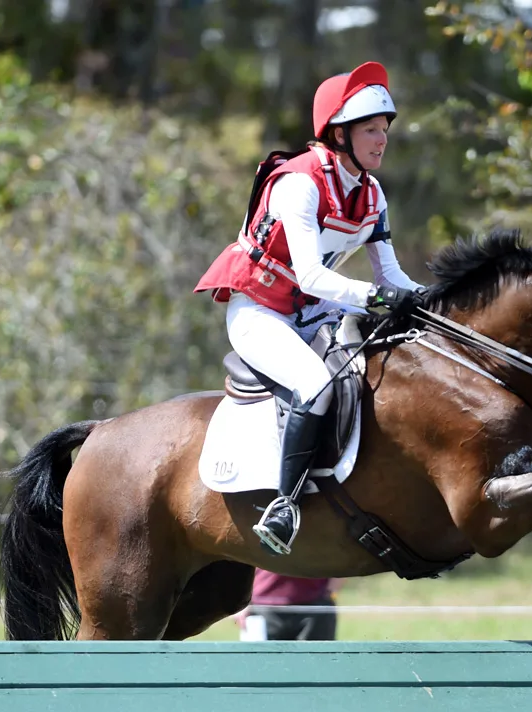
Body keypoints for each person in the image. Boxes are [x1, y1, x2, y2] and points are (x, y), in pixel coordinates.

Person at [194, 61, 425, 556]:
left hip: (317, 316)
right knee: (316, 383)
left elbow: (392, 277)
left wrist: (433, 301)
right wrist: (375, 298)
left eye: (384, 130)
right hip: (260, 313)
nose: (381, 141)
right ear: (339, 134)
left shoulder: (372, 193)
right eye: (370, 130)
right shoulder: (297, 184)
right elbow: (312, 277)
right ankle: (285, 505)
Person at [238, 570, 341, 642]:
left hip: (316, 608)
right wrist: (240, 600)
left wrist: (330, 592)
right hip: (261, 608)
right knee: (261, 668)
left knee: (316, 668)